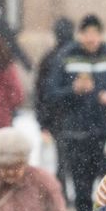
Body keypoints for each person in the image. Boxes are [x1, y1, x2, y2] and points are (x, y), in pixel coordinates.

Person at [45, 13, 106, 211]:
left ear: (102, 35)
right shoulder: (66, 56)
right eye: (87, 34)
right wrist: (73, 90)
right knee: (82, 187)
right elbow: (51, 92)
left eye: (95, 34)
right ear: (79, 35)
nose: (91, 39)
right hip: (78, 133)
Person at [34, 16, 77, 151]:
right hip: (74, 120)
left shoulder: (50, 57)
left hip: (58, 118)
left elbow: (41, 93)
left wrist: (43, 122)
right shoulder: (78, 55)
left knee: (63, 163)